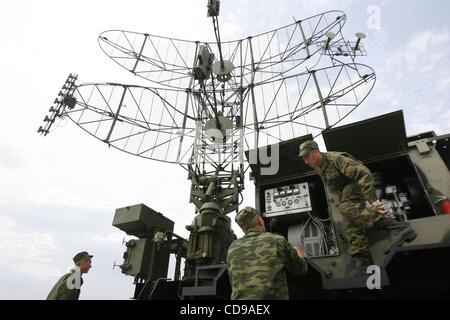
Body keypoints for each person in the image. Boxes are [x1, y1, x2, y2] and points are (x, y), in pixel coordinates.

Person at [299, 140, 417, 277]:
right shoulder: (318, 167)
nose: (306, 161)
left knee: (347, 208)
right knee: (349, 224)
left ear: (315, 152)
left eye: (307, 157)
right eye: (303, 158)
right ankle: (363, 265)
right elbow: (334, 187)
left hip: (357, 183)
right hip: (346, 190)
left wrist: (373, 201)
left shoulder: (336, 159)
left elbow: (363, 173)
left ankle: (398, 227)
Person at [226, 206, 308, 300]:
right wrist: (299, 254)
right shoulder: (277, 240)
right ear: (259, 220)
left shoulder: (232, 247)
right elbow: (300, 270)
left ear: (243, 229)